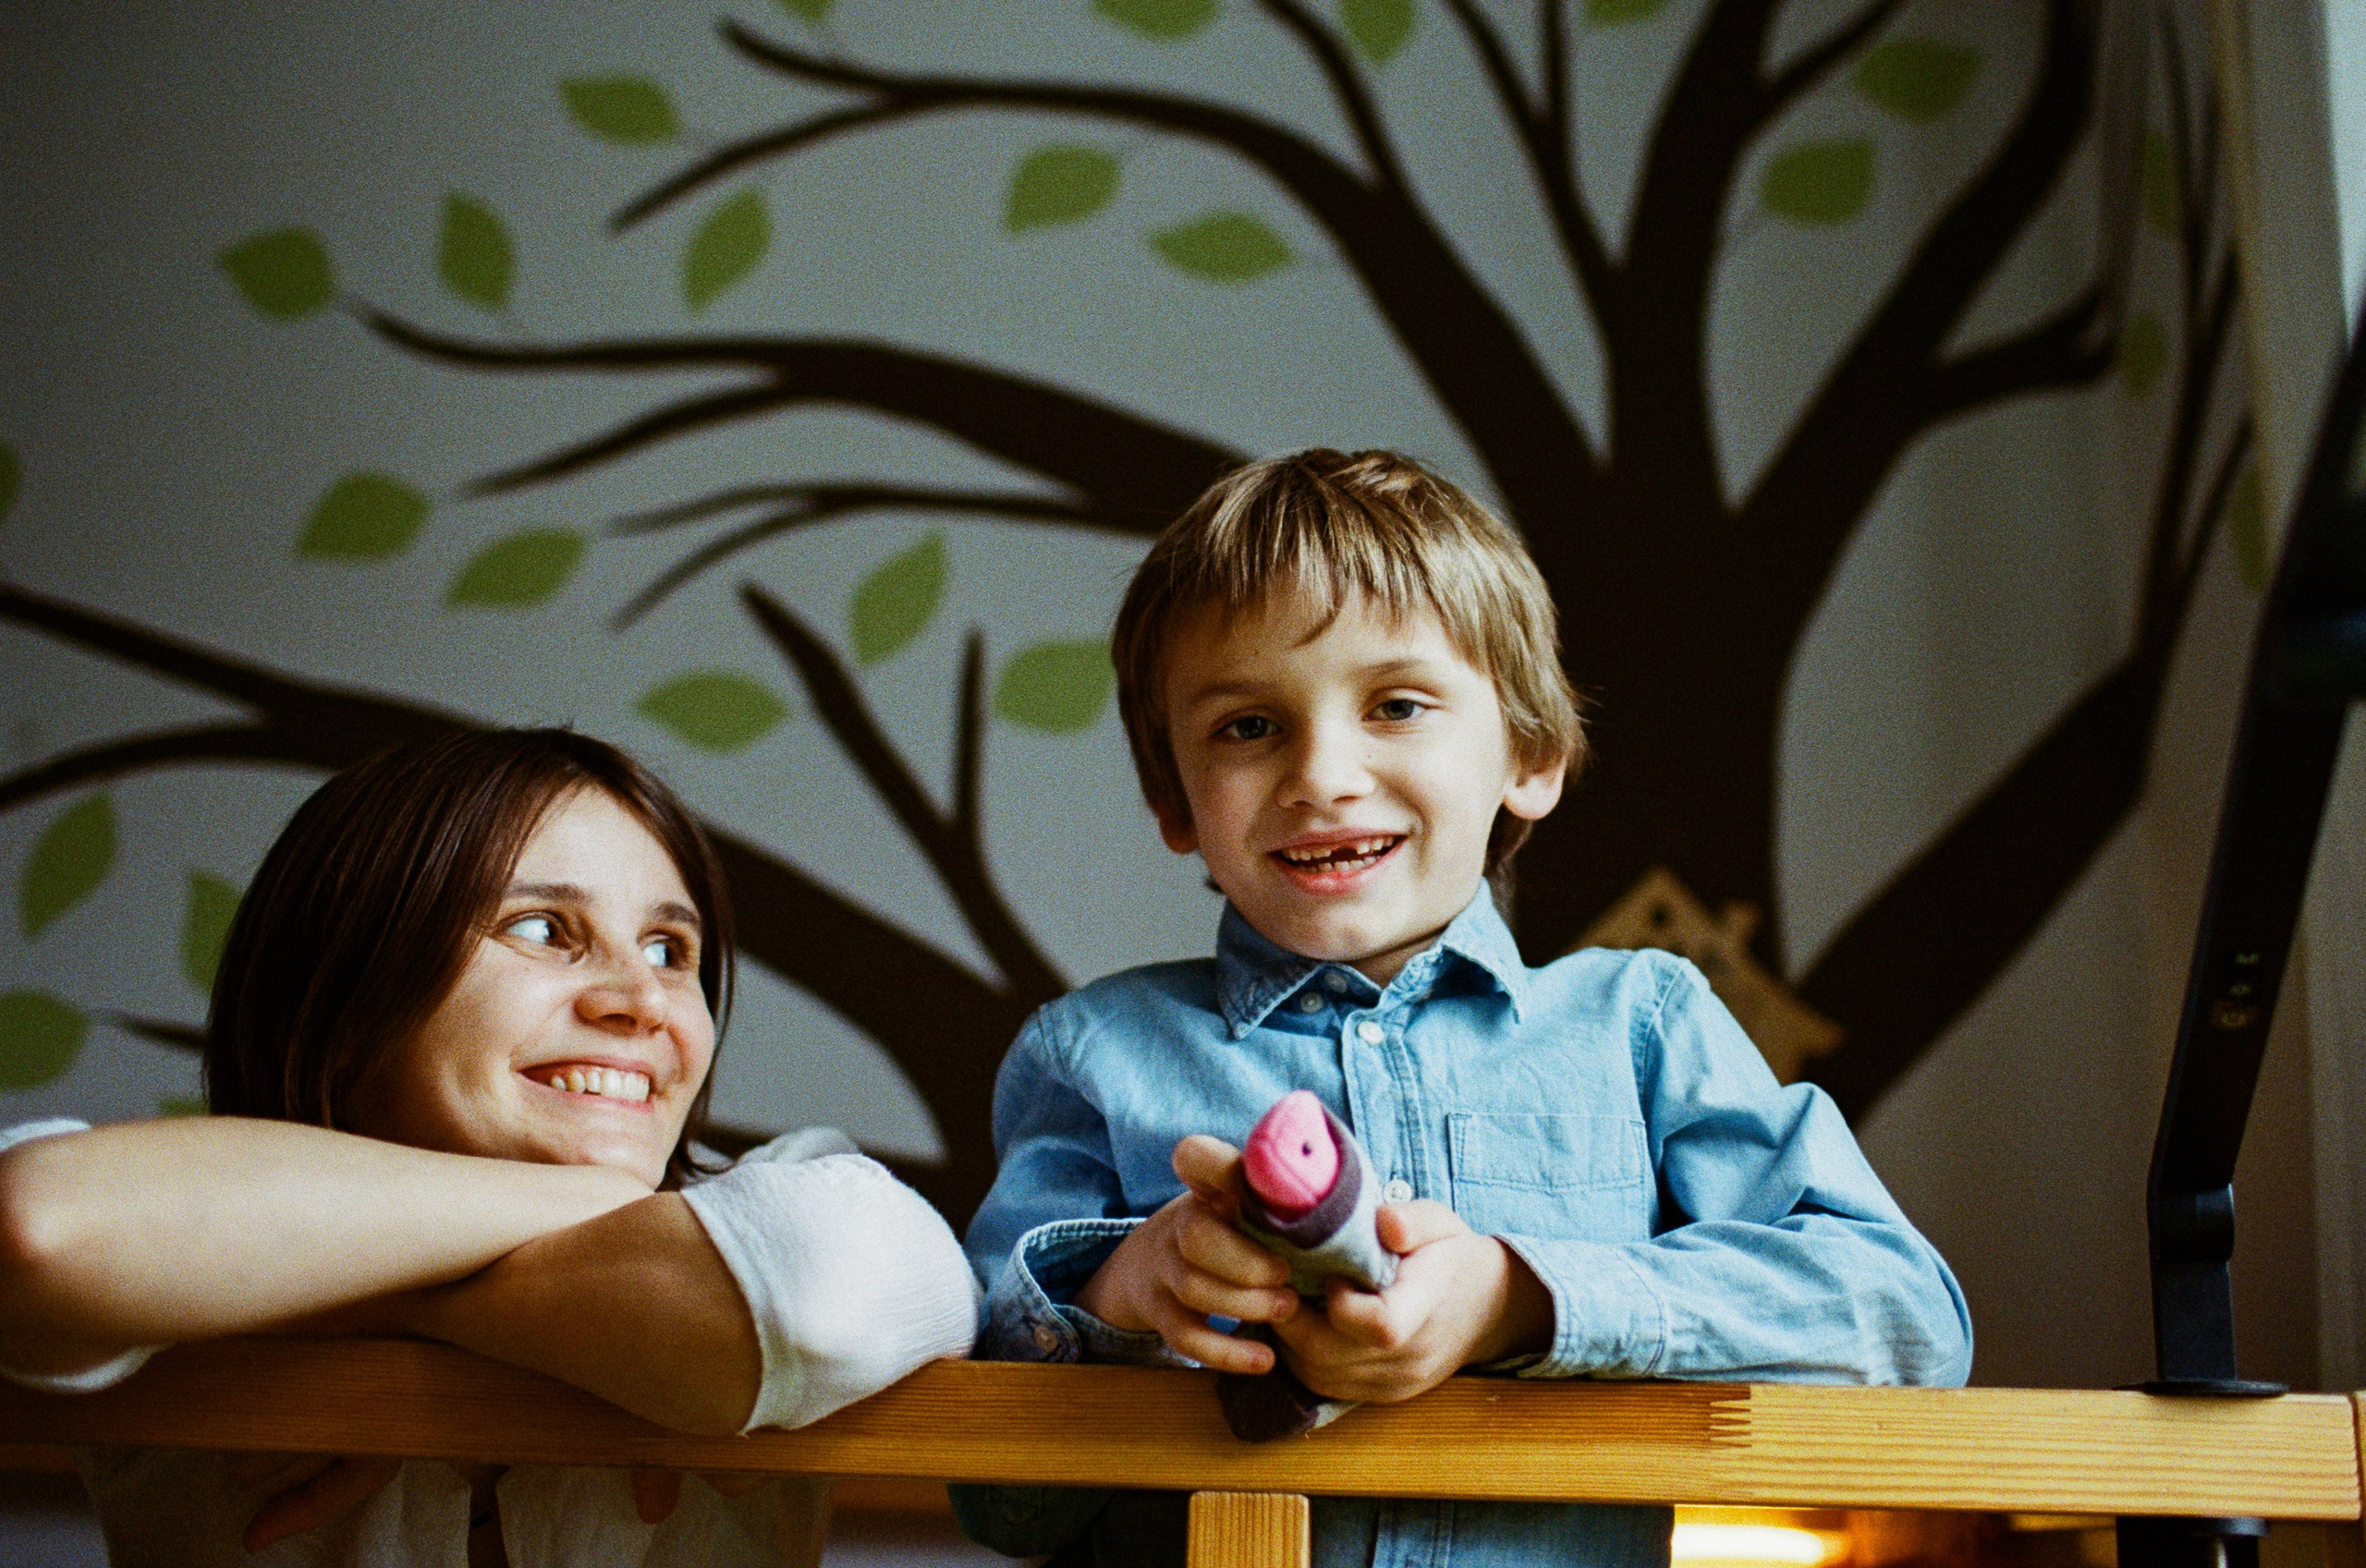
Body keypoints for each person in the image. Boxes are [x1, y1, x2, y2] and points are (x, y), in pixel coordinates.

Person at [957, 450, 1972, 1567]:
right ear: (1173, 798)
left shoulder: (1642, 1025)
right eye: (1247, 726)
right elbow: (995, 1502)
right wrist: (1119, 1290)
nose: (1322, 774)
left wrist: (1518, 1299)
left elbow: (1906, 1320)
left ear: (1528, 755)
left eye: (1395, 705)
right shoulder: (1093, 1053)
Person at [0, 729, 979, 1567]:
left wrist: (388, 1303)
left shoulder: (792, 1186)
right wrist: (584, 1226)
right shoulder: (189, 1220)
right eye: (544, 928)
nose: (641, 999)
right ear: (349, 1002)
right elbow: (38, 1232)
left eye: (669, 950)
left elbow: (816, 1304)